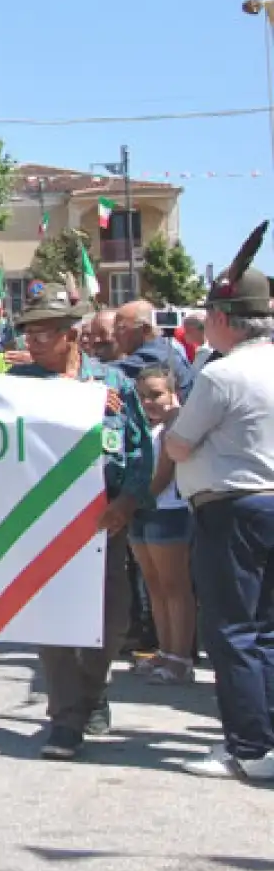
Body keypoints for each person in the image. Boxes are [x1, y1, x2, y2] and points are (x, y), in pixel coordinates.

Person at [2, 292, 150, 761]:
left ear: (71, 335)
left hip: (105, 522)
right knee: (57, 621)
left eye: (43, 333)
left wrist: (128, 500)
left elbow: (141, 448)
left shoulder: (113, 383)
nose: (33, 341)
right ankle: (65, 720)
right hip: (46, 522)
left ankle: (92, 693)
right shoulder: (19, 382)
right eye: (28, 333)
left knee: (112, 622)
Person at [162, 230, 274, 779]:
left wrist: (173, 435)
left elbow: (180, 443)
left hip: (233, 509)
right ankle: (264, 738)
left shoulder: (223, 374)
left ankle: (249, 748)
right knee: (268, 629)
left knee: (232, 630)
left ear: (225, 320)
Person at [128, 366, 197, 687]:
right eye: (142, 396)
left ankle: (181, 658)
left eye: (156, 394)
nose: (148, 402)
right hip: (141, 512)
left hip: (169, 510)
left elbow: (164, 474)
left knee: (175, 587)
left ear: (173, 394)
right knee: (153, 586)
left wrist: (135, 501)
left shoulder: (176, 426)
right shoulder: (144, 427)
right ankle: (165, 650)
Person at [113, 300, 194, 400]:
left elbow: (105, 372)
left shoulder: (153, 356)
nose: (114, 334)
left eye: (121, 328)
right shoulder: (164, 347)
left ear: (145, 329)